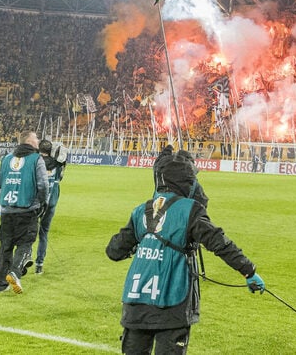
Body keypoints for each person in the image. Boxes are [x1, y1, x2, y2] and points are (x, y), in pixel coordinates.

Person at [106, 145, 265, 355]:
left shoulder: (141, 210)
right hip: (172, 300)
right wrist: (249, 271)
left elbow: (114, 250)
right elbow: (219, 242)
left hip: (136, 305)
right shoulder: (190, 209)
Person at [0, 131, 48, 294]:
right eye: (36, 138)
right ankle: (15, 272)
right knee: (25, 243)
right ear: (30, 141)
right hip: (27, 209)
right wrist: (41, 203)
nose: (38, 140)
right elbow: (43, 185)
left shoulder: (7, 158)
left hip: (7, 210)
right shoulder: (36, 159)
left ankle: (1, 283)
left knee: (6, 245)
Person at [34, 139, 66, 274]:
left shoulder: (35, 163)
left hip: (35, 203)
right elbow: (62, 175)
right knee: (44, 233)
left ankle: (24, 259)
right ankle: (39, 264)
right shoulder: (58, 164)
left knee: (28, 232)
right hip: (51, 201)